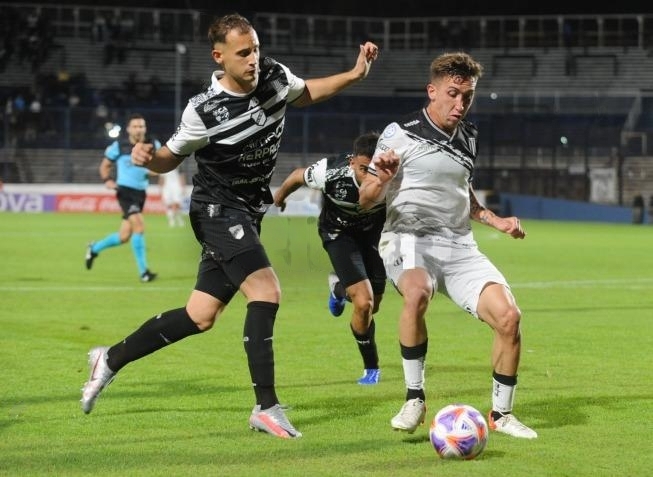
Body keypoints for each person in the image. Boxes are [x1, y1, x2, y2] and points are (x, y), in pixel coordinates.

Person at [80, 13, 379, 440]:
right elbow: (170, 157)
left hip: (247, 211)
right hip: (216, 210)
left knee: (199, 315)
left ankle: (109, 358)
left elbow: (306, 92)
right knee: (266, 291)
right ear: (219, 57)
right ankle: (266, 407)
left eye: (255, 48)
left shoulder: (273, 75)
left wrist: (354, 74)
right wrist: (148, 160)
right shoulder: (204, 110)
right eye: (243, 53)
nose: (253, 59)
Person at [358, 51, 537, 439]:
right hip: (407, 239)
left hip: (458, 246)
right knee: (417, 291)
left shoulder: (469, 137)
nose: (460, 104)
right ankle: (414, 398)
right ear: (432, 91)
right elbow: (366, 199)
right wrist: (382, 179)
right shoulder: (399, 133)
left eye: (467, 96)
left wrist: (495, 220)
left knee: (509, 317)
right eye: (453, 94)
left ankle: (501, 414)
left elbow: (463, 194)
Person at [273, 132, 386, 386]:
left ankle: (339, 288)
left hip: (373, 236)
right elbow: (297, 175)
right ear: (352, 162)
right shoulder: (331, 172)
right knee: (364, 303)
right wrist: (279, 198)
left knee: (374, 305)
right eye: (363, 169)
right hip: (338, 233)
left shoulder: (393, 176)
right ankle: (371, 367)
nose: (369, 177)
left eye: (374, 170)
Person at [85, 113, 159, 283]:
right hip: (125, 192)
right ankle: (144, 273)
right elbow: (105, 166)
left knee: (124, 236)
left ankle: (94, 248)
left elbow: (158, 168)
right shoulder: (119, 146)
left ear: (145, 128)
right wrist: (107, 180)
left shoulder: (153, 144)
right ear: (128, 129)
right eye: (135, 126)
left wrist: (154, 170)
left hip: (141, 193)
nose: (138, 129)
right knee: (139, 227)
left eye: (141, 126)